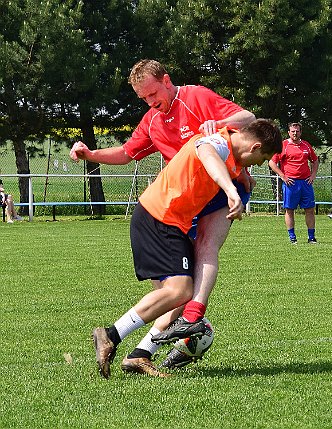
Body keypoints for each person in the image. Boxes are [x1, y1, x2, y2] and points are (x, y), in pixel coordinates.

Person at [70, 59, 256, 375]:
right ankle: (143, 350)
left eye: (152, 94)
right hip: (179, 207)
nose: (150, 102)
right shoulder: (153, 120)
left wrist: (219, 125)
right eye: (143, 99)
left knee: (189, 278)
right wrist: (91, 155)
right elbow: (128, 152)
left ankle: (154, 340)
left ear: (166, 80)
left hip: (218, 194)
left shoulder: (196, 97)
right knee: (176, 290)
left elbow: (248, 118)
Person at [91, 119, 282, 379]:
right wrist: (230, 190)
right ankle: (110, 335)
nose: (258, 165)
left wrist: (240, 176)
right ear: (255, 146)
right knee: (181, 290)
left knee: (179, 297)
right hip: (158, 218)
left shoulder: (231, 152)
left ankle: (140, 355)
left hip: (169, 222)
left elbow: (227, 161)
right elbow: (206, 150)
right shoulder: (218, 142)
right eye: (262, 159)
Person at [268, 122, 319, 244]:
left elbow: (315, 161)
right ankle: (292, 237)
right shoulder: (283, 145)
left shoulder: (306, 145)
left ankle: (311, 237)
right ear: (289, 132)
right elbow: (272, 162)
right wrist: (283, 176)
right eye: (293, 131)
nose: (295, 133)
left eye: (297, 131)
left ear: (300, 132)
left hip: (306, 183)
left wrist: (313, 175)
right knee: (290, 210)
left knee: (310, 209)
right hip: (291, 183)